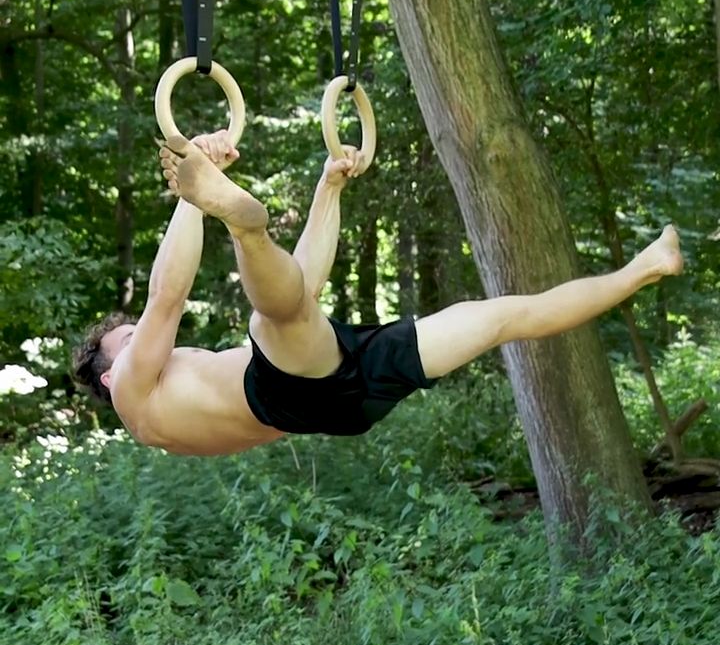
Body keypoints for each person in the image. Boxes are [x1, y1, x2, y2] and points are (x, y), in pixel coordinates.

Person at [73, 130, 684, 456]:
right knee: (271, 321)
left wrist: (328, 189)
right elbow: (166, 296)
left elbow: (304, 287)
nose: (147, 337)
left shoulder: (170, 423)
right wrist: (192, 196)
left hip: (340, 399)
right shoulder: (132, 391)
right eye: (127, 339)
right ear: (107, 375)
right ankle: (240, 222)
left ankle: (644, 269)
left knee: (499, 318)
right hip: (290, 390)